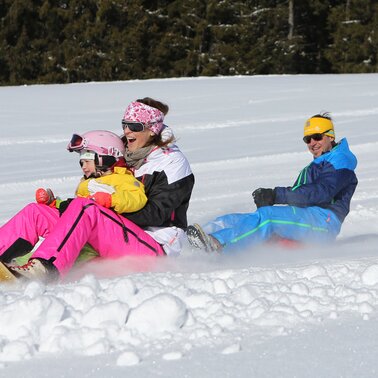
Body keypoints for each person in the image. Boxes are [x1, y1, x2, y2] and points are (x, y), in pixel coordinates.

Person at [6, 97, 195, 281]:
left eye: (135, 126)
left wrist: (102, 209)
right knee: (38, 212)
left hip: (154, 247)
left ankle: (44, 269)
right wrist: (62, 206)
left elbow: (156, 214)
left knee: (86, 209)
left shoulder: (172, 163)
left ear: (152, 130)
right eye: (124, 124)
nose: (127, 130)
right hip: (117, 235)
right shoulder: (126, 155)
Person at [187, 113, 358, 253]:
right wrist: (273, 198)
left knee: (268, 217)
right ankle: (195, 240)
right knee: (233, 219)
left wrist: (277, 195)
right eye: (308, 139)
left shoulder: (340, 160)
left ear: (330, 136)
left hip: (324, 221)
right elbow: (304, 193)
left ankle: (217, 245)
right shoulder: (315, 165)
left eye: (317, 137)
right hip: (307, 217)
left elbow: (321, 192)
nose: (312, 143)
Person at [0, 130, 150, 280]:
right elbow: (75, 215)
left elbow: (137, 198)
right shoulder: (88, 184)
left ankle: (42, 270)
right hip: (91, 239)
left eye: (87, 160)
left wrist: (112, 200)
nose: (83, 166)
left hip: (124, 242)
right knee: (37, 212)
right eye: (81, 162)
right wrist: (54, 204)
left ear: (107, 156)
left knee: (83, 206)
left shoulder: (123, 179)